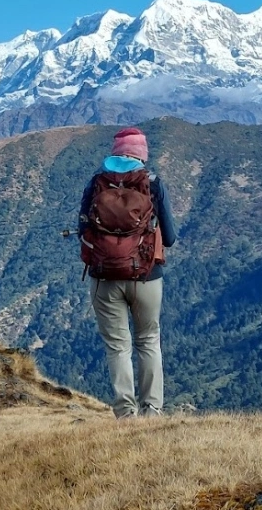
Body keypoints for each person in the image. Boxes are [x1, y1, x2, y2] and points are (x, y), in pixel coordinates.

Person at [78, 127, 178, 419]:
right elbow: (169, 238)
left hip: (104, 277)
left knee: (118, 347)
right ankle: (152, 409)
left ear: (114, 151)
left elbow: (84, 229)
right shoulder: (152, 183)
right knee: (148, 341)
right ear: (142, 154)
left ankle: (125, 413)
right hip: (147, 277)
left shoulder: (97, 183)